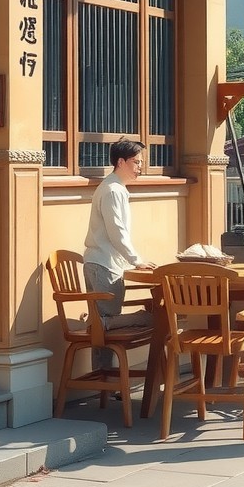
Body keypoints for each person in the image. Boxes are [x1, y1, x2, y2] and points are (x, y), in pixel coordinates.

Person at [82, 138, 156, 369]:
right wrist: (137, 260)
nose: (140, 167)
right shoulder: (113, 190)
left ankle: (105, 377)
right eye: (136, 162)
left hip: (101, 262)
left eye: (142, 162)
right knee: (108, 322)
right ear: (121, 162)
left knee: (104, 325)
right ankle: (143, 319)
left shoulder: (114, 188)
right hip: (104, 264)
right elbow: (118, 232)